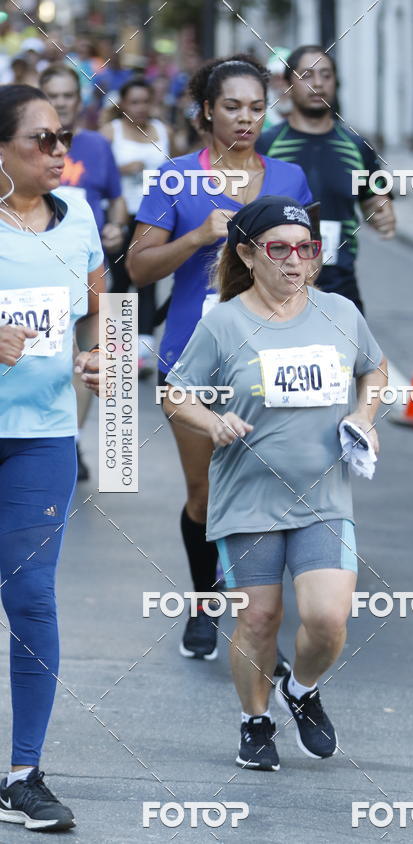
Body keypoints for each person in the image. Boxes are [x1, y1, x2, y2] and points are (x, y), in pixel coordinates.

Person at [161, 195, 387, 771]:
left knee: (327, 619)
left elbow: (374, 367)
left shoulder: (340, 312)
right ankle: (255, 718)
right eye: (279, 249)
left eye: (306, 249)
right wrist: (213, 421)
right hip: (248, 499)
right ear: (248, 253)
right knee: (258, 618)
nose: (295, 262)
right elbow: (176, 393)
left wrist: (364, 415)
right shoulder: (224, 322)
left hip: (323, 496)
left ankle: (302, 689)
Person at [128, 55, 313, 665]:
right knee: (205, 494)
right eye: (232, 106)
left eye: (257, 108)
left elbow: (307, 269)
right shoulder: (175, 177)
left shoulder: (289, 177)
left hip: (273, 358)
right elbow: (137, 267)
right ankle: (206, 600)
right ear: (207, 109)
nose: (245, 118)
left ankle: (256, 623)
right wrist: (198, 237)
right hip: (195, 357)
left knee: (265, 493)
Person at [0, 84, 104, 829]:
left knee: (32, 597)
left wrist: (101, 354)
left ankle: (24, 774)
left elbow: (101, 306)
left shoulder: (80, 222)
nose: (59, 150)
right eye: (42, 139)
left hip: (41, 436)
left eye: (63, 136)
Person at [39, 62, 129, 481]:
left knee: (93, 356)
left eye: (67, 96)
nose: (60, 102)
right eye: (52, 95)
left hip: (88, 268)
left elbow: (116, 201)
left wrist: (116, 227)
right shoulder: (23, 145)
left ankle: (69, 441)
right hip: (36, 271)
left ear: (79, 100)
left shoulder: (95, 146)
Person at [258, 45, 396, 314]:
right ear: (287, 84)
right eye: (307, 75)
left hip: (340, 285)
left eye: (326, 75)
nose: (318, 84)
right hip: (277, 286)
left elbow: (377, 199)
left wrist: (383, 213)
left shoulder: (358, 147)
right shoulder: (266, 145)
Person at [101, 77, 172, 377]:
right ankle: (116, 348)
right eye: (134, 102)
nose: (140, 108)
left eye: (146, 101)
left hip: (155, 216)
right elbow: (97, 171)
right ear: (123, 105)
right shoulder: (110, 132)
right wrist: (121, 170)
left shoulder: (163, 131)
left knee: (148, 279)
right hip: (120, 214)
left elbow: (178, 167)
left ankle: (142, 351)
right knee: (119, 279)